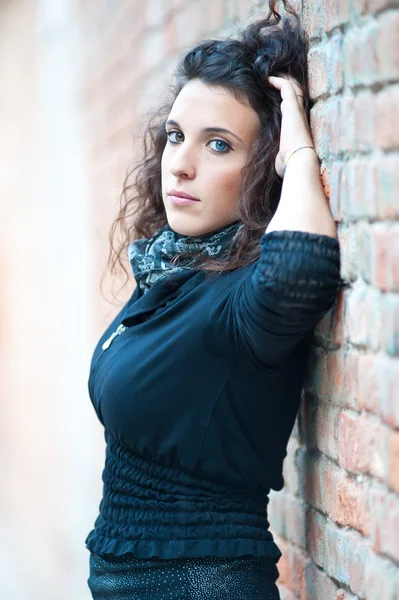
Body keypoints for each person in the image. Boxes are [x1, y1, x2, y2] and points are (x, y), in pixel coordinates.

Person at [85, 2, 347, 598]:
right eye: (176, 137)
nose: (180, 163)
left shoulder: (241, 297)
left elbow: (302, 268)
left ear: (265, 166)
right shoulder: (176, 273)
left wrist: (300, 154)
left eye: (219, 145)